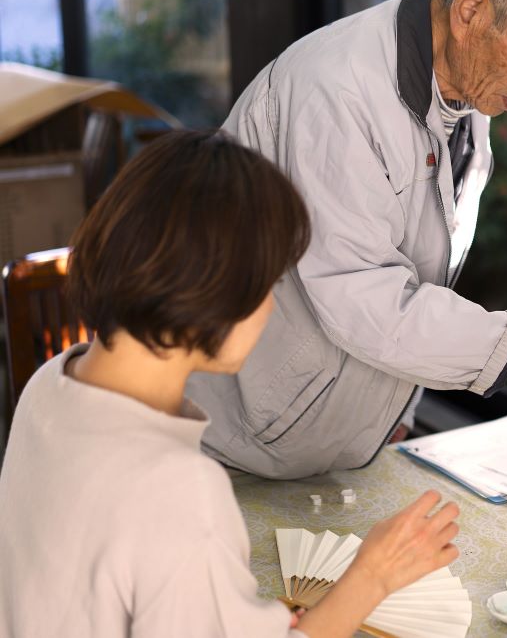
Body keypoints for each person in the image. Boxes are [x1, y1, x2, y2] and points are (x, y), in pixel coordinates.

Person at [0, 131, 460, 638]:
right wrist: (373, 575)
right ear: (211, 293)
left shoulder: (50, 383)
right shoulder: (181, 491)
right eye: (269, 285)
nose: (269, 307)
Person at [187, 0, 507, 480]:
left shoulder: (464, 90)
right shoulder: (338, 90)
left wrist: (396, 412)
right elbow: (360, 293)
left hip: (326, 444)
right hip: (229, 443)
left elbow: (418, 263)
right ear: (470, 10)